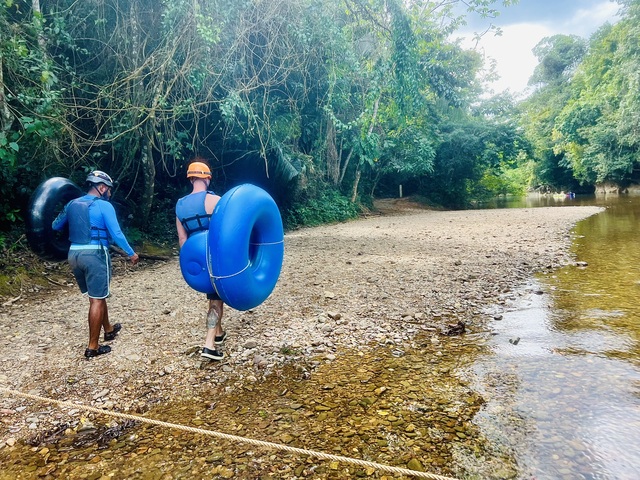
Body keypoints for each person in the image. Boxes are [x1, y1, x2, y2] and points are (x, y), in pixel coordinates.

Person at [52, 170, 139, 358]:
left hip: (74, 255)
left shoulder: (71, 204)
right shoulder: (104, 206)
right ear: (101, 187)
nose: (109, 193)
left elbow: (55, 225)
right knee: (96, 300)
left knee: (97, 295)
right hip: (95, 254)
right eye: (108, 189)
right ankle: (93, 347)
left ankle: (108, 329)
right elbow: (116, 234)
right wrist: (131, 253)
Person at [175, 160, 227, 361]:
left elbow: (182, 239)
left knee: (212, 296)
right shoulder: (216, 201)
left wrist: (189, 264)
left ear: (191, 178)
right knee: (216, 300)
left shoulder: (179, 205)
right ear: (207, 178)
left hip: (195, 259)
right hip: (214, 255)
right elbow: (224, 233)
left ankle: (219, 332)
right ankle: (209, 345)